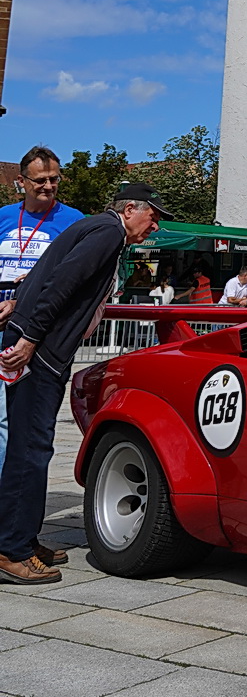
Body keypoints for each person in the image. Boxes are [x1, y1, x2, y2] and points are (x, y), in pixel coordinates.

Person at [0, 180, 171, 584]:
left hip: (41, 348)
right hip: (40, 353)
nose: (155, 226)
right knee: (30, 450)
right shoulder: (108, 232)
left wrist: (20, 309)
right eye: (153, 217)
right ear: (130, 210)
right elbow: (62, 284)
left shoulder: (99, 228)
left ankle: (22, 539)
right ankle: (10, 550)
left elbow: (49, 273)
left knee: (31, 447)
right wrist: (30, 337)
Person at [0, 148, 84, 501]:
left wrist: (23, 300)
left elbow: (72, 280)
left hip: (32, 335)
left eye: (54, 179)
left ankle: (9, 506)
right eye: (40, 180)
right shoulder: (4, 216)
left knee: (15, 424)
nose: (49, 186)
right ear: (21, 182)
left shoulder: (73, 221)